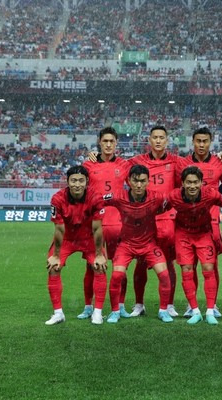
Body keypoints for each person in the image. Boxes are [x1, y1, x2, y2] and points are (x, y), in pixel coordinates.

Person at [102, 164, 174, 323]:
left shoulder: (157, 197)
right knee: (117, 275)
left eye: (143, 181)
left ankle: (163, 311)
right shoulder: (118, 195)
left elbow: (173, 201)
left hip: (149, 244)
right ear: (129, 181)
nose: (139, 185)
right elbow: (98, 200)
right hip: (126, 245)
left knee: (164, 275)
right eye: (135, 181)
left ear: (148, 181)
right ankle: (115, 311)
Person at [175, 127, 222, 318]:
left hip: (212, 220)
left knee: (211, 264)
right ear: (193, 141)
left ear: (211, 141)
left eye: (205, 141)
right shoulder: (182, 164)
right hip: (187, 221)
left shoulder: (220, 163)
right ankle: (191, 305)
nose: (201, 145)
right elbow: (178, 192)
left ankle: (213, 304)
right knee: (188, 264)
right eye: (198, 141)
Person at [168, 166, 222, 325]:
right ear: (182, 183)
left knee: (208, 269)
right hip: (183, 235)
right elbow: (159, 206)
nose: (192, 186)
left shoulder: (209, 194)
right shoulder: (174, 196)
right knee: (187, 270)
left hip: (203, 234)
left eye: (196, 182)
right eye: (188, 182)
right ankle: (195, 311)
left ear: (202, 183)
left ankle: (210, 310)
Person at [128, 126, 180, 318]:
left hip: (168, 221)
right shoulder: (137, 162)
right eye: (155, 138)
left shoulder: (176, 161)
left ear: (167, 141)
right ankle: (139, 304)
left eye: (162, 138)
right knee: (141, 262)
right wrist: (95, 155)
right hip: (143, 220)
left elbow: (192, 174)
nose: (158, 141)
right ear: (149, 140)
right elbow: (113, 167)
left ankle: (169, 304)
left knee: (168, 263)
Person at [45, 166, 107, 326]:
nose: (77, 184)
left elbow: (97, 228)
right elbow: (59, 229)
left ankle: (98, 313)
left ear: (87, 182)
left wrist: (100, 254)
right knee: (53, 267)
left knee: (99, 266)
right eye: (73, 180)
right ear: (67, 182)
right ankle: (58, 313)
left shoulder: (96, 198)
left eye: (81, 180)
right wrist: (57, 256)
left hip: (89, 238)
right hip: (67, 239)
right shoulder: (57, 199)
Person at [81, 126, 130, 320]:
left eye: (112, 141)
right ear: (99, 143)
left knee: (121, 268)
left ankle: (120, 305)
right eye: (105, 141)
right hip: (95, 224)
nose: (108, 145)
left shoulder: (125, 165)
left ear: (116, 143)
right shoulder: (88, 165)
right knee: (91, 266)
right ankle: (87, 306)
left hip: (118, 223)